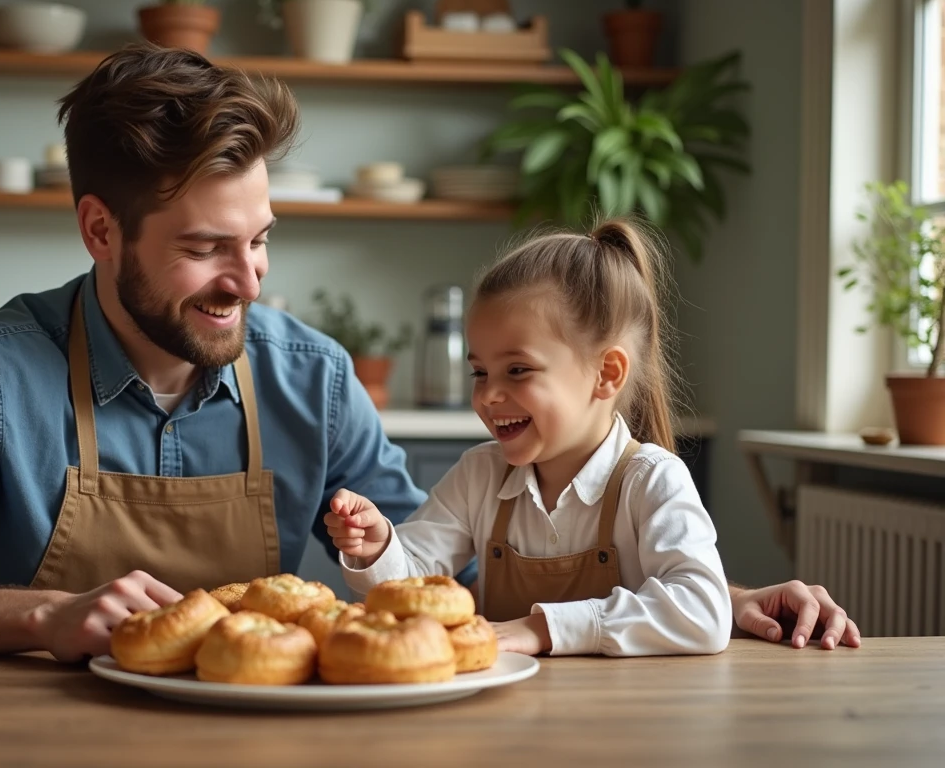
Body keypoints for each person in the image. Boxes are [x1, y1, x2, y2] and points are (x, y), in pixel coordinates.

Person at [0, 43, 859, 661]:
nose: (249, 282)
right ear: (100, 230)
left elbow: (451, 573)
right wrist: (46, 616)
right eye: (205, 250)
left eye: (260, 240)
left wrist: (712, 598)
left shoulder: (309, 375)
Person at [327, 220, 859, 656]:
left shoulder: (652, 481)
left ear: (607, 374)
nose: (488, 395)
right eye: (479, 372)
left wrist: (542, 629)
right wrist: (378, 550)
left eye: (517, 370)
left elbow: (703, 611)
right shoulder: (478, 476)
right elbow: (407, 591)